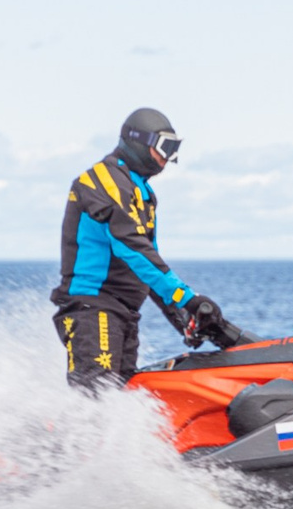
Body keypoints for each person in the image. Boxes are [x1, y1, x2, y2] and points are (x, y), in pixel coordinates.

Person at [52, 107, 247, 389]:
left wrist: (183, 318)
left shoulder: (141, 192)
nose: (167, 158)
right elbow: (133, 250)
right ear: (139, 141)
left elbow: (149, 266)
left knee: (121, 395)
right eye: (164, 147)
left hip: (124, 313)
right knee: (97, 398)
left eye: (173, 149)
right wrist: (189, 298)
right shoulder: (102, 182)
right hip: (93, 309)